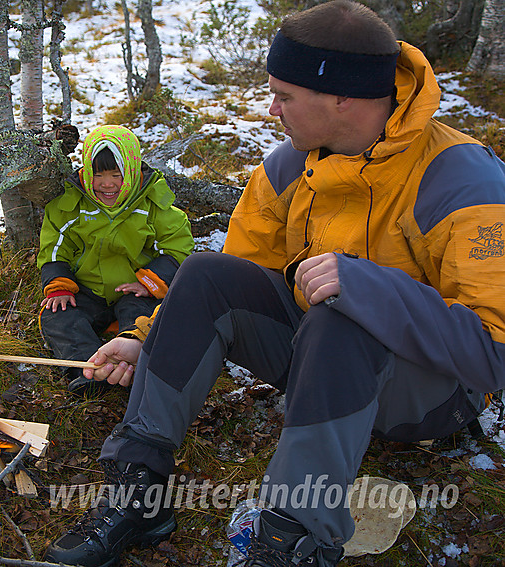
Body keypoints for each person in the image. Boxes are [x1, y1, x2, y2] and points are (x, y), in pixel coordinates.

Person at [42, 2, 505, 566]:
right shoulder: (289, 167)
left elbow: (492, 353)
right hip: (319, 367)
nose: (270, 109)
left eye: (283, 95)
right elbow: (229, 283)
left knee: (343, 314)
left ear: (344, 98)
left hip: (428, 399)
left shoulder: (459, 178)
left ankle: (293, 539)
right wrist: (147, 340)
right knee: (206, 272)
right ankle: (138, 492)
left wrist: (368, 289)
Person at [37, 124, 194, 396]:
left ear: (131, 171)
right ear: (86, 171)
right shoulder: (71, 205)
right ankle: (87, 369)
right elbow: (54, 248)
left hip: (136, 289)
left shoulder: (152, 205)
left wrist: (149, 282)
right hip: (88, 291)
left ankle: (130, 366)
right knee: (58, 317)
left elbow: (177, 248)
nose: (107, 183)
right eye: (98, 174)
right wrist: (59, 284)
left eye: (116, 174)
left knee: (143, 319)